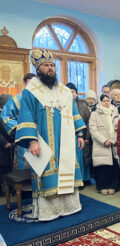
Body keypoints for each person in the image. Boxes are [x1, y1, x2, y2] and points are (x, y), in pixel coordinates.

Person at [15, 49, 86, 221]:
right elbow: (26, 116)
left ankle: (70, 207)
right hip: (44, 141)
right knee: (48, 175)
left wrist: (80, 133)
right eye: (46, 65)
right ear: (38, 69)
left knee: (67, 170)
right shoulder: (31, 91)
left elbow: (74, 111)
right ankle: (49, 212)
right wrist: (32, 142)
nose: (50, 68)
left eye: (52, 65)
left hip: (67, 141)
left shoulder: (63, 90)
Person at [1, 73, 35, 171]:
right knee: (23, 169)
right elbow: (6, 117)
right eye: (30, 83)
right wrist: (22, 128)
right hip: (23, 139)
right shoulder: (16, 100)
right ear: (24, 83)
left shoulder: (41, 99)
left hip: (41, 138)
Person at [89, 94, 120, 195]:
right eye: (104, 101)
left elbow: (119, 129)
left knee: (113, 167)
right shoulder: (95, 114)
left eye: (108, 100)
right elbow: (93, 130)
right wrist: (104, 140)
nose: (106, 103)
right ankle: (102, 186)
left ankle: (112, 186)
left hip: (113, 144)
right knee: (102, 167)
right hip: (101, 144)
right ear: (100, 102)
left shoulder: (115, 113)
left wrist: (112, 140)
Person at [66, 83, 92, 188]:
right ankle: (76, 179)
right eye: (69, 91)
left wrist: (87, 137)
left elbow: (88, 122)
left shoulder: (83, 105)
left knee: (83, 159)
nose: (71, 93)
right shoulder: (63, 104)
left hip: (82, 135)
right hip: (69, 136)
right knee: (73, 159)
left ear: (76, 93)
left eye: (73, 91)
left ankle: (84, 178)